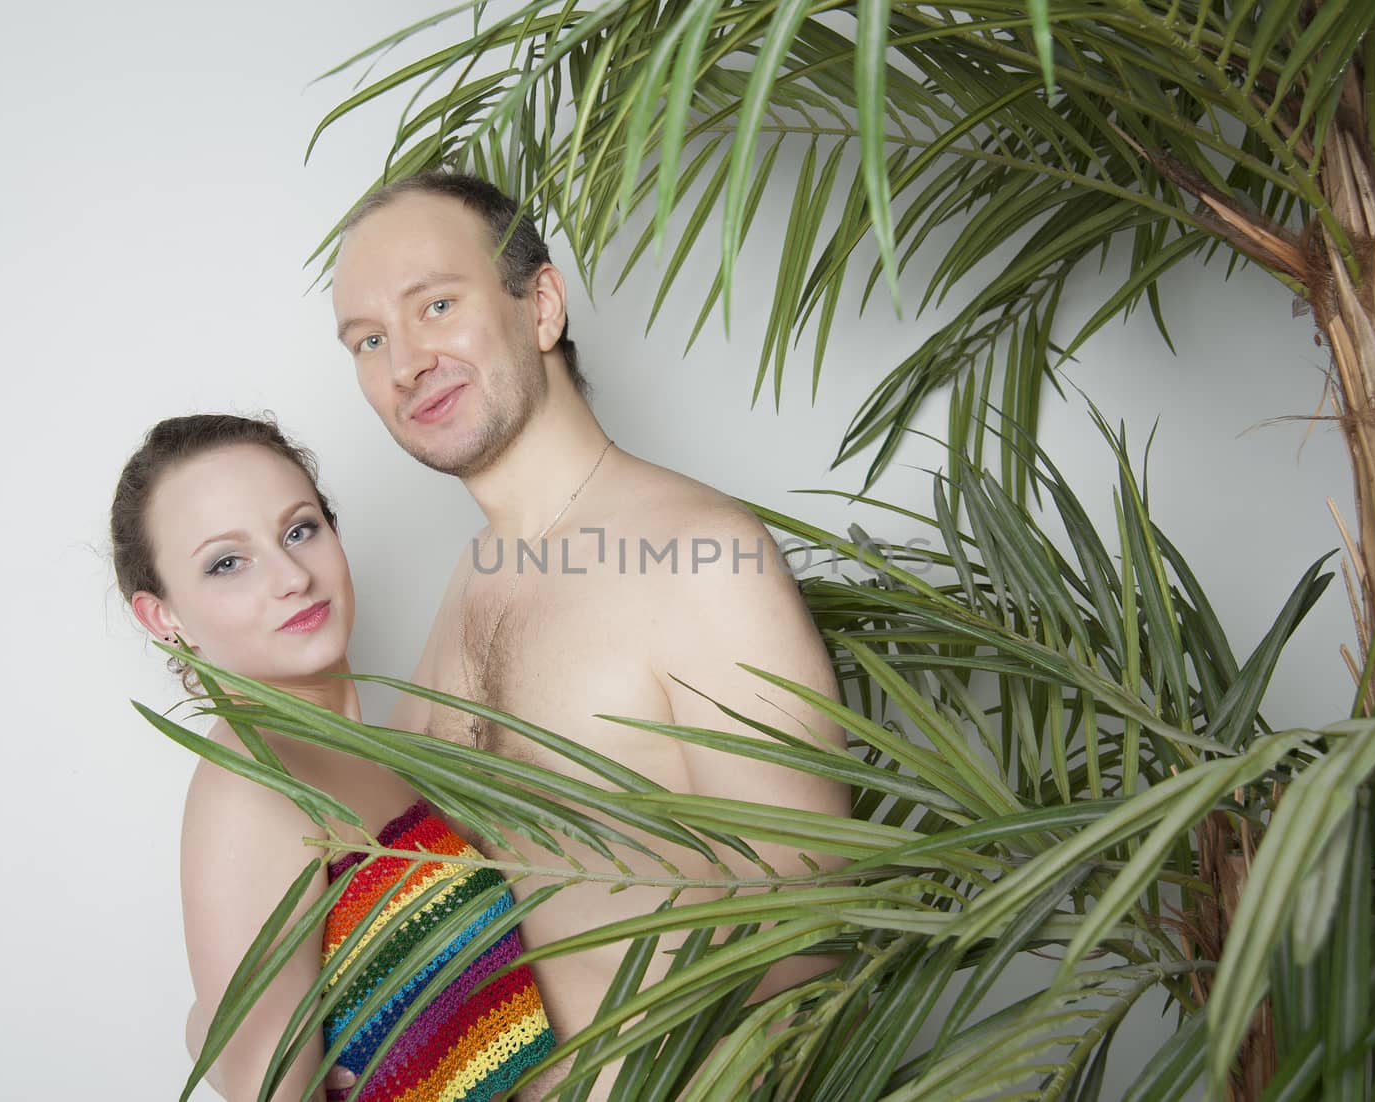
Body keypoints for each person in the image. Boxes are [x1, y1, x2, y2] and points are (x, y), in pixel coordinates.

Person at [330, 173, 851, 1095]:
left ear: (541, 305)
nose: (403, 361)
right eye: (369, 340)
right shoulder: (470, 581)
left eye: (436, 305)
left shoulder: (701, 557)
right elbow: (391, 866)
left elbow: (804, 947)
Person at [110, 413, 555, 1102]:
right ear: (162, 617)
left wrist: (206, 1028)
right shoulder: (251, 787)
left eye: (300, 529)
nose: (291, 576)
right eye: (227, 562)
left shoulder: (379, 753)